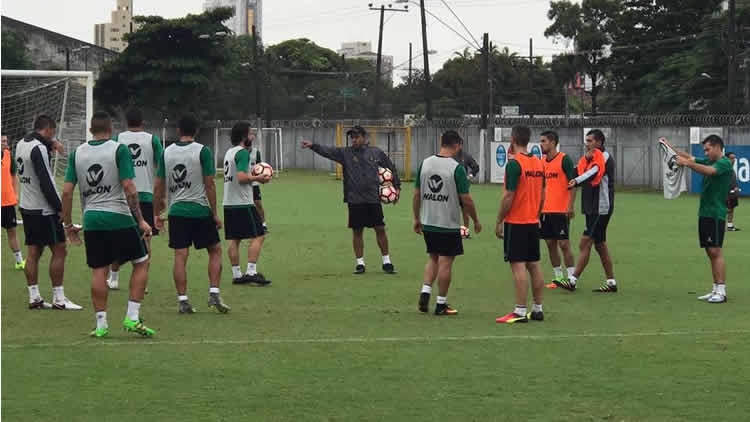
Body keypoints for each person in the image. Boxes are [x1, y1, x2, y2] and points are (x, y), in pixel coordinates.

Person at [61, 111, 155, 337]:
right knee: (141, 261)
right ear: (110, 129)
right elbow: (130, 188)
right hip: (119, 216)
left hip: (92, 219)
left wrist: (68, 226)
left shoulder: (77, 153)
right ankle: (132, 317)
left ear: (91, 130)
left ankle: (101, 325)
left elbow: (66, 192)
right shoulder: (118, 149)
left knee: (98, 270)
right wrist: (140, 220)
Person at [153, 114, 230, 314]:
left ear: (178, 131)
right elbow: (210, 184)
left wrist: (156, 213)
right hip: (200, 210)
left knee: (180, 255)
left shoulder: (166, 152)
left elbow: (158, 186)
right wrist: (214, 214)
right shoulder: (203, 151)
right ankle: (214, 293)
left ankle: (183, 300)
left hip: (177, 212)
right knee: (214, 250)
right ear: (196, 131)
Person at [301, 126, 401, 274]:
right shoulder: (345, 153)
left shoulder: (376, 152)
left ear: (364, 138)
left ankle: (387, 262)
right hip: (355, 199)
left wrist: (397, 187)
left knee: (380, 228)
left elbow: (391, 168)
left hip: (373, 198)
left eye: (357, 136)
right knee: (357, 231)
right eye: (352, 137)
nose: (354, 139)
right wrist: (312, 146)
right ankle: (360, 264)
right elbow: (328, 151)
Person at [14, 115, 81, 310]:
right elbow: (45, 181)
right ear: (49, 129)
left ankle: (34, 297)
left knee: (33, 252)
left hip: (27, 206)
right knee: (60, 249)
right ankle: (59, 299)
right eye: (53, 132)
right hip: (43, 208)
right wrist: (60, 208)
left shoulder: (21, 144)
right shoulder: (39, 149)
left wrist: (52, 144)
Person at [414, 130, 481, 316]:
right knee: (446, 262)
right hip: (448, 224)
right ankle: (441, 304)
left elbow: (417, 194)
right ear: (458, 145)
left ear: (441, 142)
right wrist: (475, 220)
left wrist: (416, 218)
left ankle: (425, 292)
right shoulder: (456, 168)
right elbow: (466, 199)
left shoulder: (425, 163)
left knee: (433, 257)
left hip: (428, 222)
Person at [660, 135, 733, 303]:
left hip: (716, 213)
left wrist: (687, 164)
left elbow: (709, 171)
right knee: (709, 250)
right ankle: (715, 288)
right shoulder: (710, 160)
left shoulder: (723, 163)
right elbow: (689, 157)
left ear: (717, 147)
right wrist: (670, 147)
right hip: (705, 213)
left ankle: (721, 291)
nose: (705, 153)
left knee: (715, 251)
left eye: (708, 149)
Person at [106, 108, 164, 290]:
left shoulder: (118, 139)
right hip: (146, 195)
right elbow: (162, 167)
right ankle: (143, 280)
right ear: (142, 122)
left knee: (117, 237)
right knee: (146, 238)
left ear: (126, 122)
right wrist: (161, 197)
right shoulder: (151, 139)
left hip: (122, 196)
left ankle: (113, 279)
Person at [495, 126, 546, 324]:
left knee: (518, 266)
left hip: (517, 222)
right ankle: (538, 309)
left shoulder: (514, 164)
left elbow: (509, 196)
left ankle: (519, 311)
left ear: (513, 138)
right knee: (534, 265)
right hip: (533, 221)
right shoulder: (538, 163)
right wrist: (538, 214)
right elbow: (542, 194)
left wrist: (499, 220)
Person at [558, 129, 617, 293]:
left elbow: (593, 173)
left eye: (590, 140)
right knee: (600, 245)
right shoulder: (588, 158)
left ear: (599, 142)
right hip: (592, 206)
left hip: (601, 207)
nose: (587, 143)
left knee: (585, 242)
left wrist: (575, 181)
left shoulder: (604, 157)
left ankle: (572, 280)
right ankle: (611, 282)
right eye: (587, 140)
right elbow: (577, 170)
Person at [223, 122, 272, 286]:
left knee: (234, 239)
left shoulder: (229, 152)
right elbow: (242, 177)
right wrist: (258, 178)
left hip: (228, 203)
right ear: (244, 136)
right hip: (242, 203)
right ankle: (251, 272)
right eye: (251, 133)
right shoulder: (243, 153)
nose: (253, 136)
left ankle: (237, 275)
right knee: (259, 235)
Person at [538, 131, 577, 288]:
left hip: (561, 210)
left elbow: (573, 184)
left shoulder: (564, 159)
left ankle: (571, 278)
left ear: (553, 142)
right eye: (541, 141)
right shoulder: (541, 162)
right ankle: (558, 277)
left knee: (564, 244)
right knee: (550, 243)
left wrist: (570, 206)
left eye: (544, 141)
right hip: (545, 211)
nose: (541, 144)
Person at [2, 135, 25, 270]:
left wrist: (15, 194)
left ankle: (19, 261)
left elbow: (13, 176)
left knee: (12, 232)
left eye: (6, 140)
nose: (6, 143)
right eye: (2, 141)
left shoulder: (8, 155)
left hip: (7, 202)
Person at [453, 148, 480, 232]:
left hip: (462, 188)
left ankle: (465, 231)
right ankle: (451, 230)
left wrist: (470, 176)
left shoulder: (465, 156)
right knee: (451, 210)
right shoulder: (449, 156)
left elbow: (476, 167)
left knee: (465, 209)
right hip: (451, 187)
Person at [249, 139, 269, 233]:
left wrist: (261, 177)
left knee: (258, 203)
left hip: (254, 183)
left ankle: (263, 224)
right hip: (243, 182)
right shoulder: (239, 152)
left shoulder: (256, 152)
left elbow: (260, 167)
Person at [726, 152, 741, 231]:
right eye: (731, 158)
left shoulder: (731, 169)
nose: (733, 160)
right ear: (726, 159)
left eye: (734, 158)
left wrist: (736, 188)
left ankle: (730, 226)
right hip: (726, 194)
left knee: (731, 209)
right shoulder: (724, 168)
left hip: (732, 194)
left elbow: (733, 181)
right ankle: (717, 226)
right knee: (725, 210)